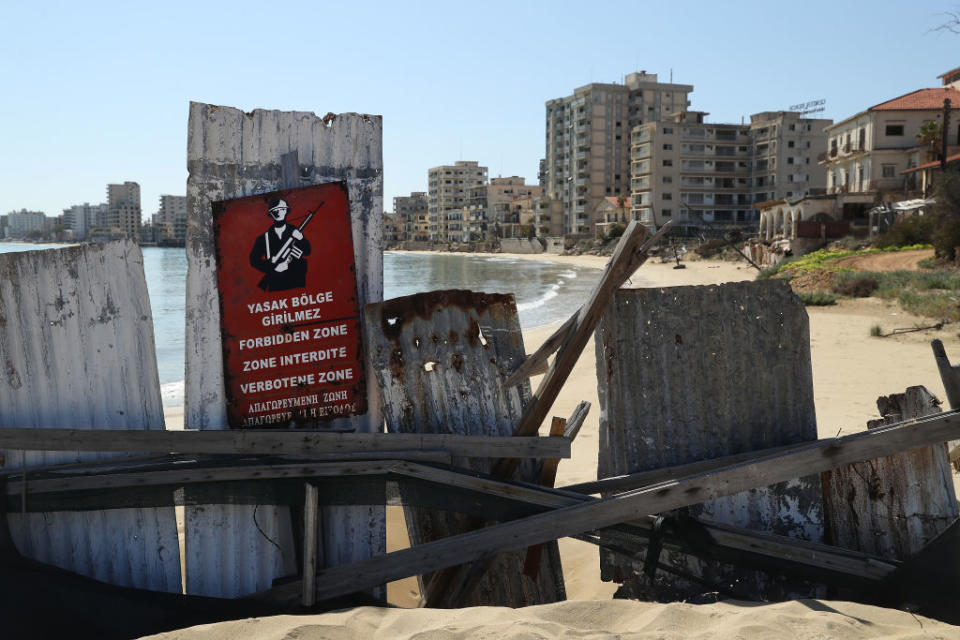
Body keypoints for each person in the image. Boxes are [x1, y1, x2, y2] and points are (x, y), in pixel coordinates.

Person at [249, 198, 312, 291]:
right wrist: (274, 268)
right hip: (276, 282)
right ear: (271, 214)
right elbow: (253, 260)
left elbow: (307, 251)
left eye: (282, 209)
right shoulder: (263, 238)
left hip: (297, 281)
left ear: (286, 210)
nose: (279, 213)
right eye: (275, 210)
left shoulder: (295, 231)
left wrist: (301, 238)